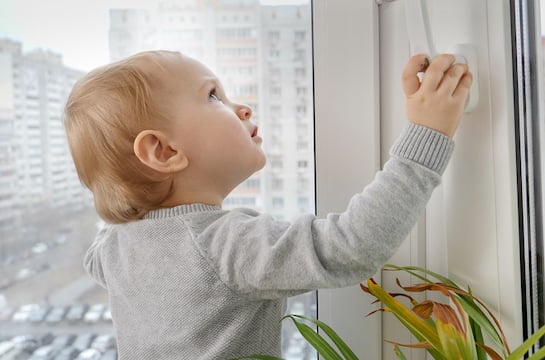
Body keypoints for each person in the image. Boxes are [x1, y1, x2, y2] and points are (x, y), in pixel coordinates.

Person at [63, 50, 472, 359]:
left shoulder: (114, 250)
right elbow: (353, 245)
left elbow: (99, 257)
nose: (241, 107)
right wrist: (426, 134)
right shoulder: (222, 246)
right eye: (212, 96)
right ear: (163, 150)